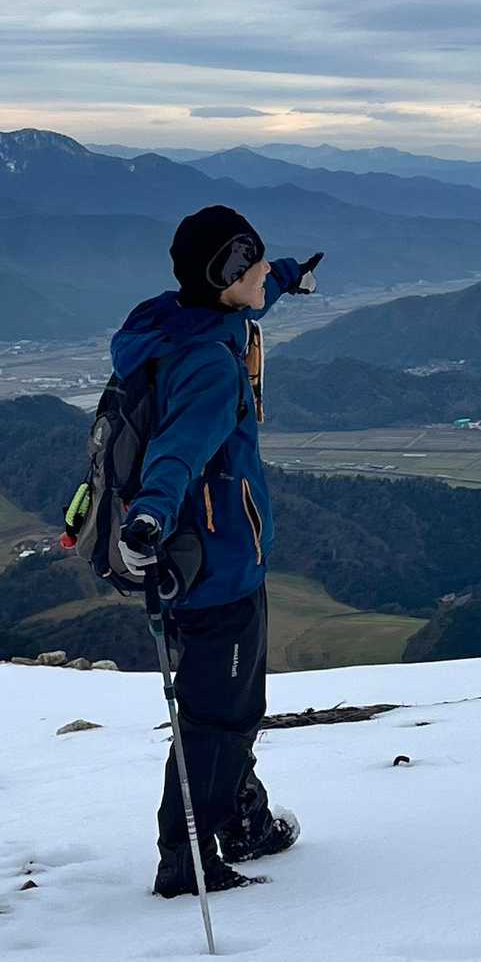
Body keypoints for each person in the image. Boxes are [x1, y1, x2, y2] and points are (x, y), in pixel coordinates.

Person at [109, 205, 320, 898]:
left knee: (228, 705)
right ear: (225, 278)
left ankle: (242, 821)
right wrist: (148, 515)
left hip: (207, 559)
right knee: (219, 718)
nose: (262, 272)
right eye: (252, 264)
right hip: (215, 567)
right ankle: (188, 860)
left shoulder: (183, 318)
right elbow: (177, 452)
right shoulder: (207, 366)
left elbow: (253, 292)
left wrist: (289, 276)